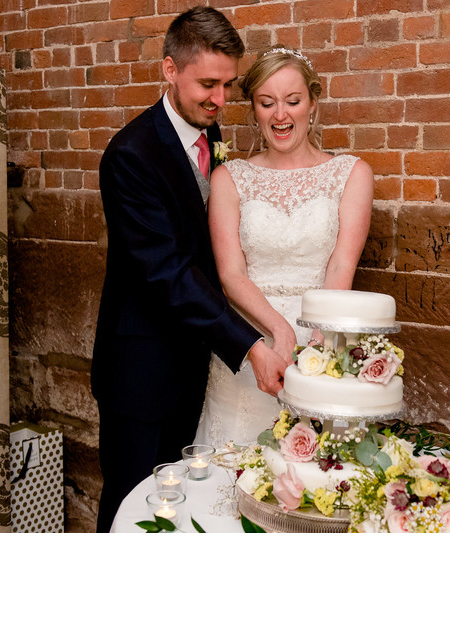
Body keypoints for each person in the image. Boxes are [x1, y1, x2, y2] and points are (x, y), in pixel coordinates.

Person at [91, 8, 287, 533]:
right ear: (169, 70)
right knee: (132, 510)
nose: (220, 99)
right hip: (141, 372)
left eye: (228, 85)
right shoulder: (131, 155)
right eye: (207, 84)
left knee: (183, 513)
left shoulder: (210, 132)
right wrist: (249, 343)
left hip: (196, 368)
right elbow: (168, 273)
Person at [194, 47, 374, 446]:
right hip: (251, 340)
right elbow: (231, 274)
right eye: (267, 102)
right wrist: (277, 331)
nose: (280, 115)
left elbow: (341, 266)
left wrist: (317, 341)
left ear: (312, 103)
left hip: (322, 336)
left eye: (292, 101)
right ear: (254, 109)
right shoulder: (230, 178)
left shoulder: (351, 174)